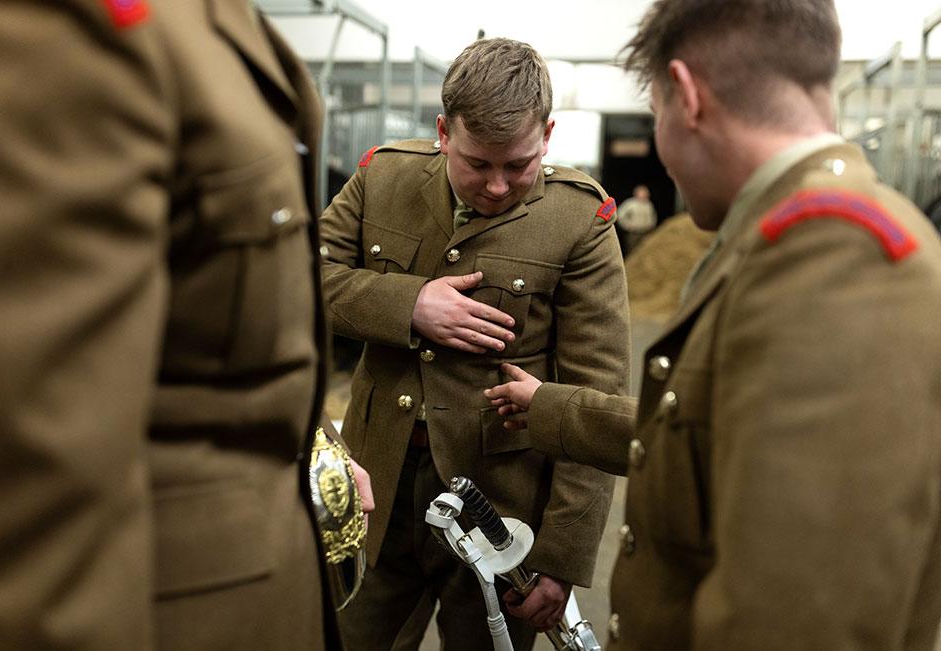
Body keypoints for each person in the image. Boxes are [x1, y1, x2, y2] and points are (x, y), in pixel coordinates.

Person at [486, 0, 941, 648]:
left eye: (657, 111)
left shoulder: (842, 262)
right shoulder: (775, 242)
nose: (663, 148)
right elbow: (699, 433)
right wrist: (552, 409)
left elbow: (805, 620)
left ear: (690, 98)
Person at [0, 1, 366, 649]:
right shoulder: (74, 24)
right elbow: (28, 493)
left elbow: (210, 339)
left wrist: (314, 440)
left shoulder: (208, 21)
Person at [319, 37, 630, 650]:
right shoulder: (382, 178)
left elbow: (594, 392)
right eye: (477, 164)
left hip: (501, 512)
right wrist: (410, 304)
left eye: (518, 166)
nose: (495, 186)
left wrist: (563, 557)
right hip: (375, 489)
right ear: (442, 131)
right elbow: (303, 277)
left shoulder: (578, 221)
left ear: (547, 134)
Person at [616, 184, 657, 254]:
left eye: (646, 193)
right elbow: (619, 215)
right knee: (632, 251)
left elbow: (653, 217)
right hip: (633, 233)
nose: (644, 194)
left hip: (645, 232)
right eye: (642, 192)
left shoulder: (648, 205)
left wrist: (651, 226)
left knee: (643, 252)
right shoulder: (630, 204)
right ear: (636, 193)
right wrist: (626, 225)